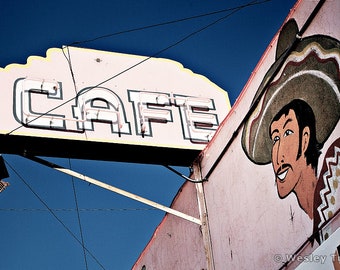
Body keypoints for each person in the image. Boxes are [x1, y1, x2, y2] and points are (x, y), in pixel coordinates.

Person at [241, 19, 340, 244]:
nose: (277, 156)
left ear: (306, 139)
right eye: (275, 138)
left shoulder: (336, 172)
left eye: (287, 133)